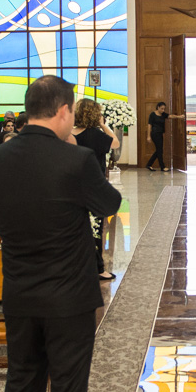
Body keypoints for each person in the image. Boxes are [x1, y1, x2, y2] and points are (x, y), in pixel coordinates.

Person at [0, 75, 122, 392]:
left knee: (21, 383)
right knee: (67, 391)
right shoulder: (76, 160)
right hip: (69, 297)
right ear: (63, 111)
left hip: (21, 292)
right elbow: (110, 203)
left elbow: (3, 225)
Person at [73, 99, 120, 280]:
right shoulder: (96, 135)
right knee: (96, 229)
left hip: (73, 186)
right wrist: (103, 125)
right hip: (93, 187)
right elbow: (115, 143)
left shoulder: (69, 135)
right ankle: (99, 269)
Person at [146, 102, 182, 172]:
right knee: (159, 150)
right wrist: (148, 136)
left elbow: (171, 116)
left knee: (159, 150)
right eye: (162, 108)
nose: (163, 110)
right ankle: (162, 167)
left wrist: (179, 116)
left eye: (164, 109)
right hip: (154, 134)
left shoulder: (163, 114)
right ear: (158, 107)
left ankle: (149, 164)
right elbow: (149, 125)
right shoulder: (152, 115)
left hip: (160, 134)